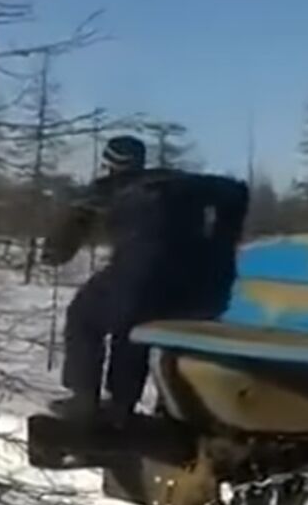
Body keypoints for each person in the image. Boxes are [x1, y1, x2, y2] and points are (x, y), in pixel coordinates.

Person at [40, 135, 249, 428]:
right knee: (133, 322)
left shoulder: (105, 190)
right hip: (199, 285)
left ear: (109, 164)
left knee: (85, 315)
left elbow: (67, 234)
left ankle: (86, 399)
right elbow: (238, 191)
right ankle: (125, 405)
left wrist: (52, 253)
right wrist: (222, 240)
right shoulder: (186, 182)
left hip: (142, 277)